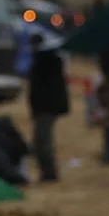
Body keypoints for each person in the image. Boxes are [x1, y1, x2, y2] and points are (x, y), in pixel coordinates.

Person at [24, 27, 70, 183]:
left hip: (46, 108)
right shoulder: (48, 61)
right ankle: (47, 172)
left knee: (42, 141)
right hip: (46, 107)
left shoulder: (46, 62)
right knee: (41, 141)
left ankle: (49, 174)